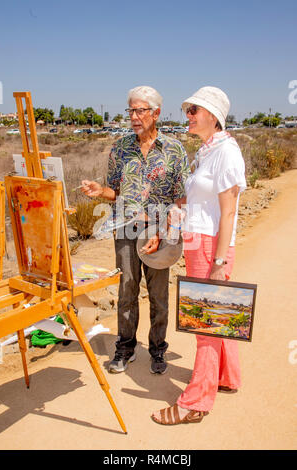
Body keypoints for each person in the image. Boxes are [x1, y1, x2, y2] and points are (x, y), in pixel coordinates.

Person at [151, 86, 247, 424]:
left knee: (206, 322)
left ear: (213, 116)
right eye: (188, 110)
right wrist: (170, 224)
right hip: (198, 242)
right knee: (218, 314)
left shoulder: (227, 153)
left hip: (210, 246)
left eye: (194, 110)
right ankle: (227, 376)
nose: (188, 116)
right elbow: (196, 203)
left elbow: (229, 213)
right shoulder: (208, 151)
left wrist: (220, 263)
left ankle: (195, 403)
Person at [81, 86, 190, 375]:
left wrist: (167, 228)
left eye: (140, 110)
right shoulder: (120, 148)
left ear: (156, 113)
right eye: (131, 110)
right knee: (127, 289)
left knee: (158, 294)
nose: (134, 116)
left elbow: (181, 197)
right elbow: (114, 191)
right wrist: (99, 190)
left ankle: (157, 350)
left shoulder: (175, 150)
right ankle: (125, 348)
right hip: (126, 230)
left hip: (160, 230)